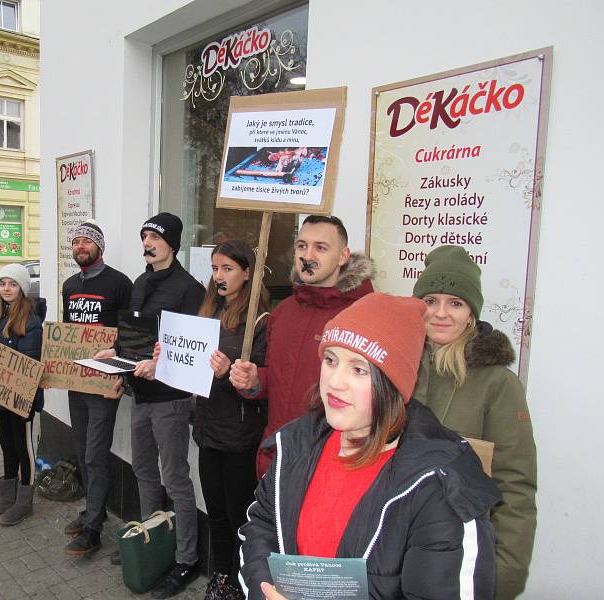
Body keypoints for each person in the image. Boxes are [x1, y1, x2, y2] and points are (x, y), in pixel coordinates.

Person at [238, 293, 501, 600]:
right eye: (330, 360)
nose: (335, 382)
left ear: (393, 383)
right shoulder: (295, 445)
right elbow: (260, 529)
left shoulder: (438, 484)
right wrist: (264, 593)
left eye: (359, 370)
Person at [412, 245, 537, 600]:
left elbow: (515, 486)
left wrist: (503, 575)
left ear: (471, 314)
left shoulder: (498, 384)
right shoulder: (395, 368)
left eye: (455, 303)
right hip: (396, 557)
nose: (440, 313)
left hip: (461, 563)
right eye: (431, 300)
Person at [98, 212, 205, 598]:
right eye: (144, 236)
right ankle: (149, 536)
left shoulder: (189, 289)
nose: (147, 243)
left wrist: (161, 363)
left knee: (175, 478)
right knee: (143, 469)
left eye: (155, 237)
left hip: (171, 400)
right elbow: (136, 335)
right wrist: (116, 352)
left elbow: (195, 349)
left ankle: (186, 559)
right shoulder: (140, 282)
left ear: (172, 244)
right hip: (140, 395)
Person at [230, 214, 374, 476]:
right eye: (301, 246)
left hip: (330, 463)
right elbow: (277, 377)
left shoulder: (362, 314)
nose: (308, 256)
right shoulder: (283, 311)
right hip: (278, 455)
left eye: (321, 247)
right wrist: (255, 380)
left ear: (343, 256)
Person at [194, 240, 269, 600]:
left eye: (227, 269)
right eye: (214, 268)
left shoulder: (260, 319)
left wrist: (229, 373)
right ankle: (222, 576)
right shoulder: (208, 311)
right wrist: (166, 355)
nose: (219, 276)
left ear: (247, 273)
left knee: (240, 515)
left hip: (239, 435)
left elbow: (261, 378)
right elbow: (190, 359)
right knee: (216, 512)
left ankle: (241, 583)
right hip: (208, 429)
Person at [61, 220, 132, 557]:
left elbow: (130, 332)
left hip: (104, 381)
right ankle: (95, 509)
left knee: (95, 455)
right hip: (77, 380)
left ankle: (93, 530)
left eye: (86, 242)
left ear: (99, 247)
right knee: (80, 449)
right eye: (75, 242)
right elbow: (66, 332)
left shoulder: (119, 283)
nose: (80, 247)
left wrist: (121, 371)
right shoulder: (69, 284)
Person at [0, 263, 46, 526]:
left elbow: (28, 360)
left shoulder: (31, 322)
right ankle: (6, 496)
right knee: (6, 444)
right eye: (3, 284)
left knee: (23, 448)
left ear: (22, 288)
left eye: (13, 284)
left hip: (21, 399)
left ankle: (24, 501)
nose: (7, 289)